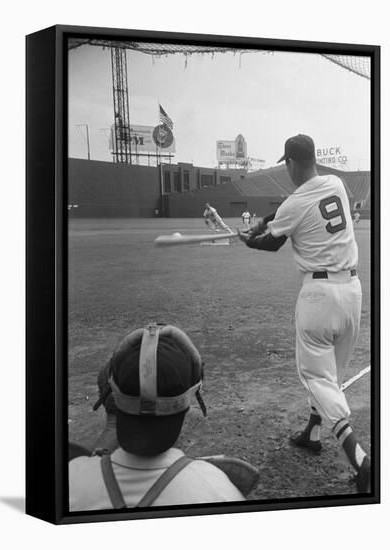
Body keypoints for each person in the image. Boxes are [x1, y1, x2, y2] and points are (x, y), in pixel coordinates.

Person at [237, 134, 370, 493]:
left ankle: (359, 458)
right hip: (352, 293)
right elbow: (288, 211)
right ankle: (312, 432)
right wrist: (264, 221)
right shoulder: (335, 183)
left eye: (287, 164)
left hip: (319, 297)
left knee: (317, 377)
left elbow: (273, 241)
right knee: (333, 374)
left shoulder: (295, 202)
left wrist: (247, 238)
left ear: (292, 164)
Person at [69, 323, 245, 510]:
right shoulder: (218, 491)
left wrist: (114, 419)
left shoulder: (71, 477)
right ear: (190, 397)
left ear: (112, 392)